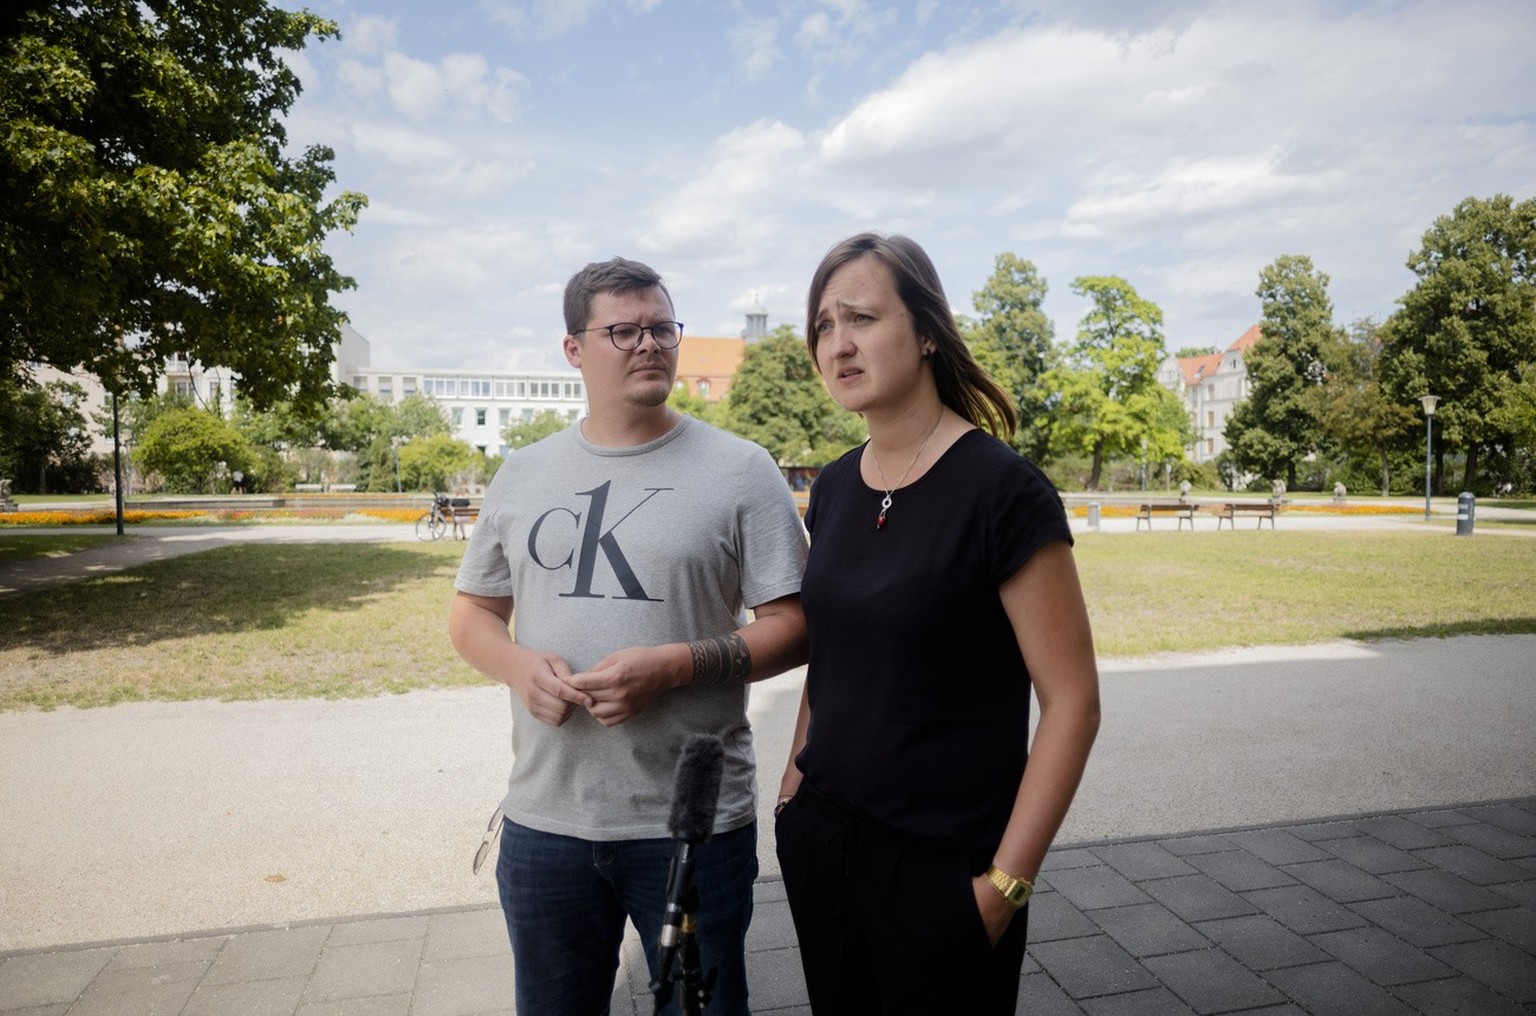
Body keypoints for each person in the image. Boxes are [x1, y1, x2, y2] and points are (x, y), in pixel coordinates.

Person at [449, 256, 809, 1015]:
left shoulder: (741, 471)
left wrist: (679, 665)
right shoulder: (523, 472)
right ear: (574, 349)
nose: (650, 345)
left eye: (662, 328)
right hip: (546, 818)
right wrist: (518, 667)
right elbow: (472, 615)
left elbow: (798, 626)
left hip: (691, 826)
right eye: (624, 330)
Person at [774, 233, 1101, 1013]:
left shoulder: (1003, 492)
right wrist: (793, 795)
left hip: (943, 873)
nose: (838, 344)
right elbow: (837, 656)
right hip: (825, 849)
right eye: (823, 325)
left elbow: (1073, 703)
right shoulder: (837, 490)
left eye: (861, 317)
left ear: (925, 331)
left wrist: (1004, 888)